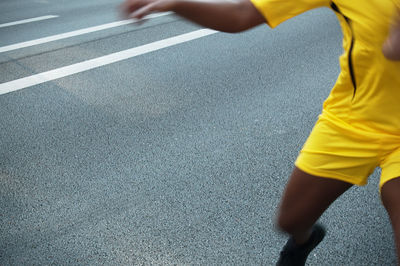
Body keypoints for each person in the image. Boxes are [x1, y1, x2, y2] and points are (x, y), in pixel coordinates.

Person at [121, 0, 400, 264]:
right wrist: (176, 3)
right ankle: (303, 240)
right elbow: (241, 14)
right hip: (352, 120)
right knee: (291, 221)